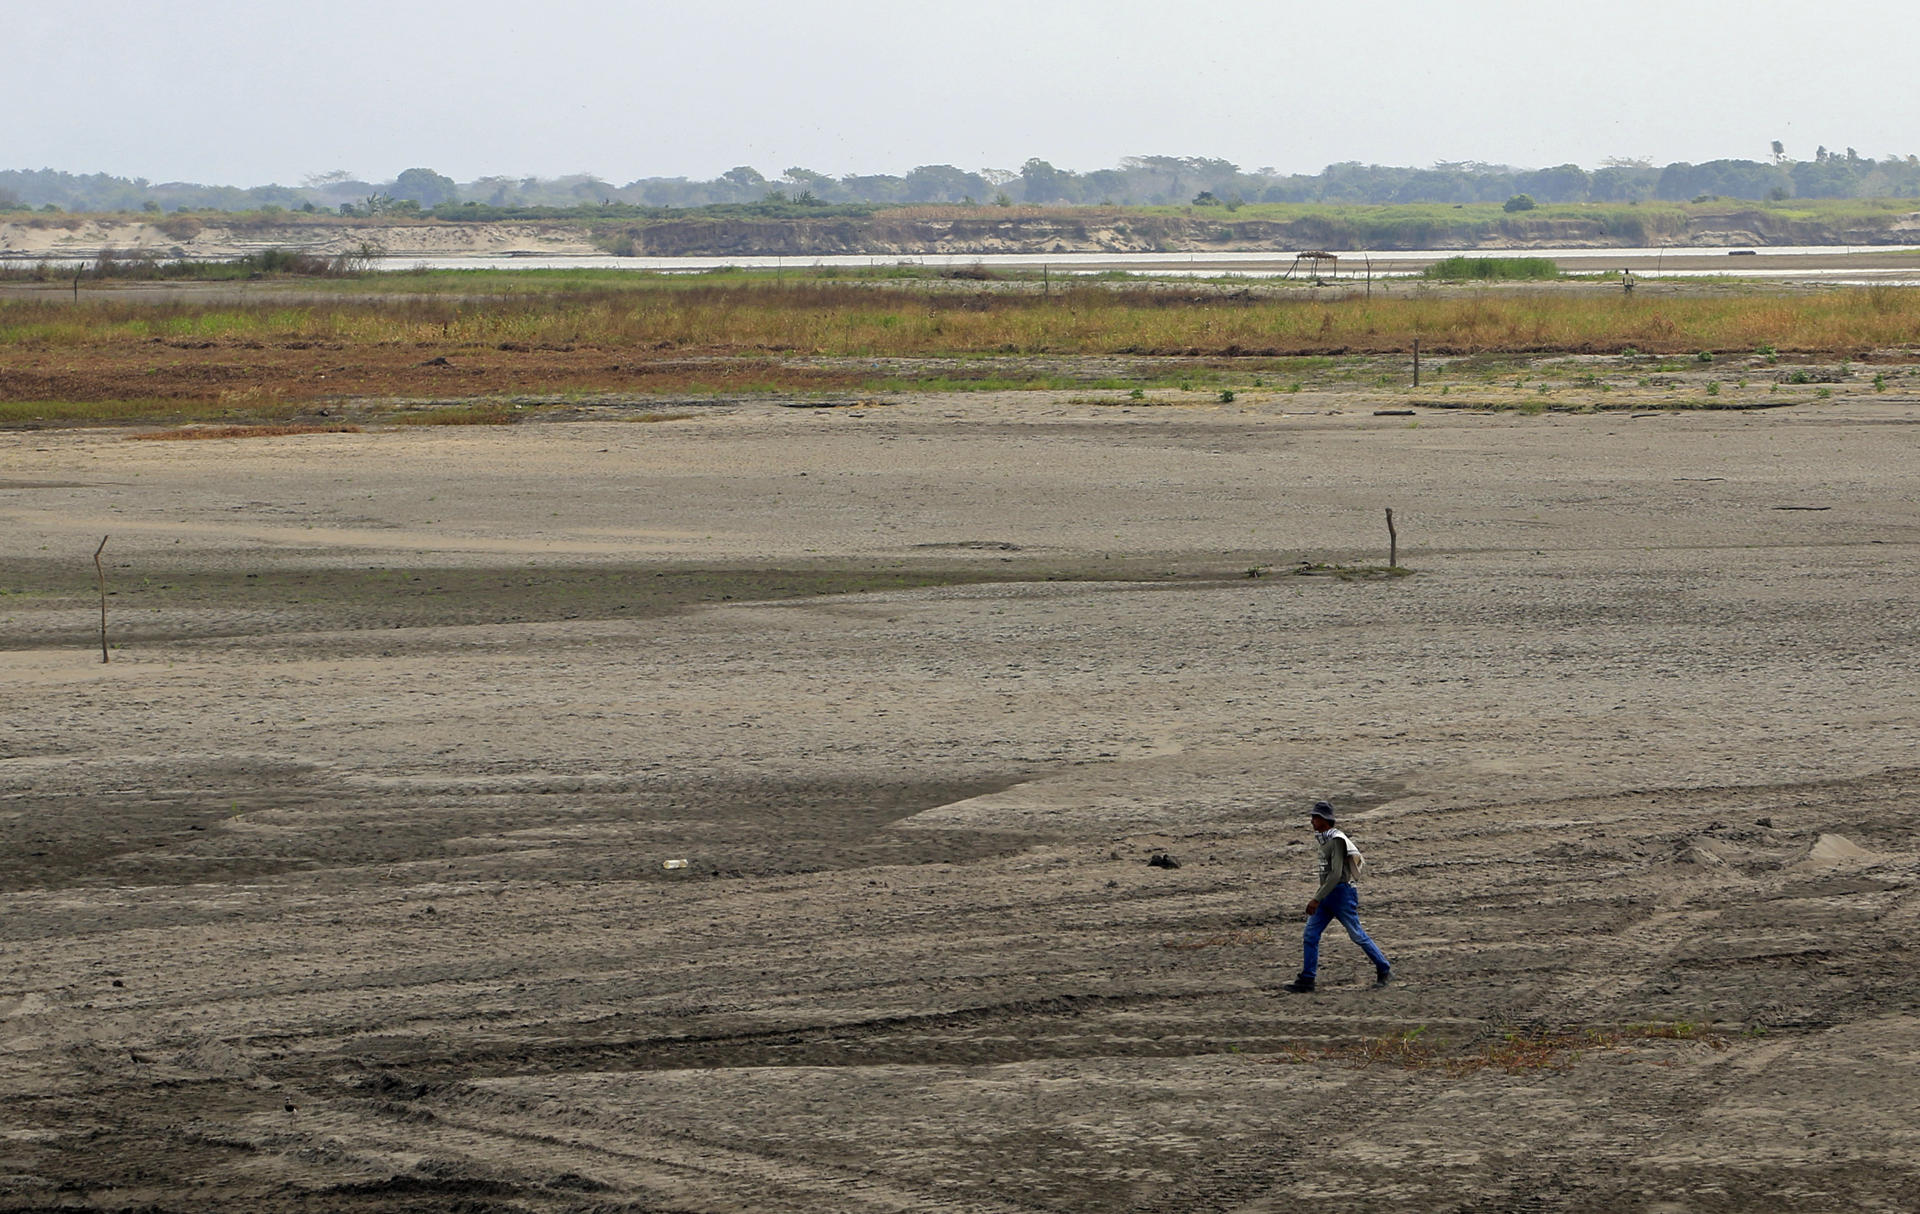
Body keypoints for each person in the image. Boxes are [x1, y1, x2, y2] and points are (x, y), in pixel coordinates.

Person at [1282, 801, 1391, 993]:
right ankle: (1307, 979)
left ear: (1324, 820)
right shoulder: (1326, 840)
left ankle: (1384, 969)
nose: (1312, 821)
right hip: (1328, 894)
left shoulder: (1337, 841)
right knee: (1310, 935)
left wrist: (1316, 898)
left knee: (1357, 935)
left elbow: (1335, 874)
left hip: (1340, 894)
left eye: (1315, 818)